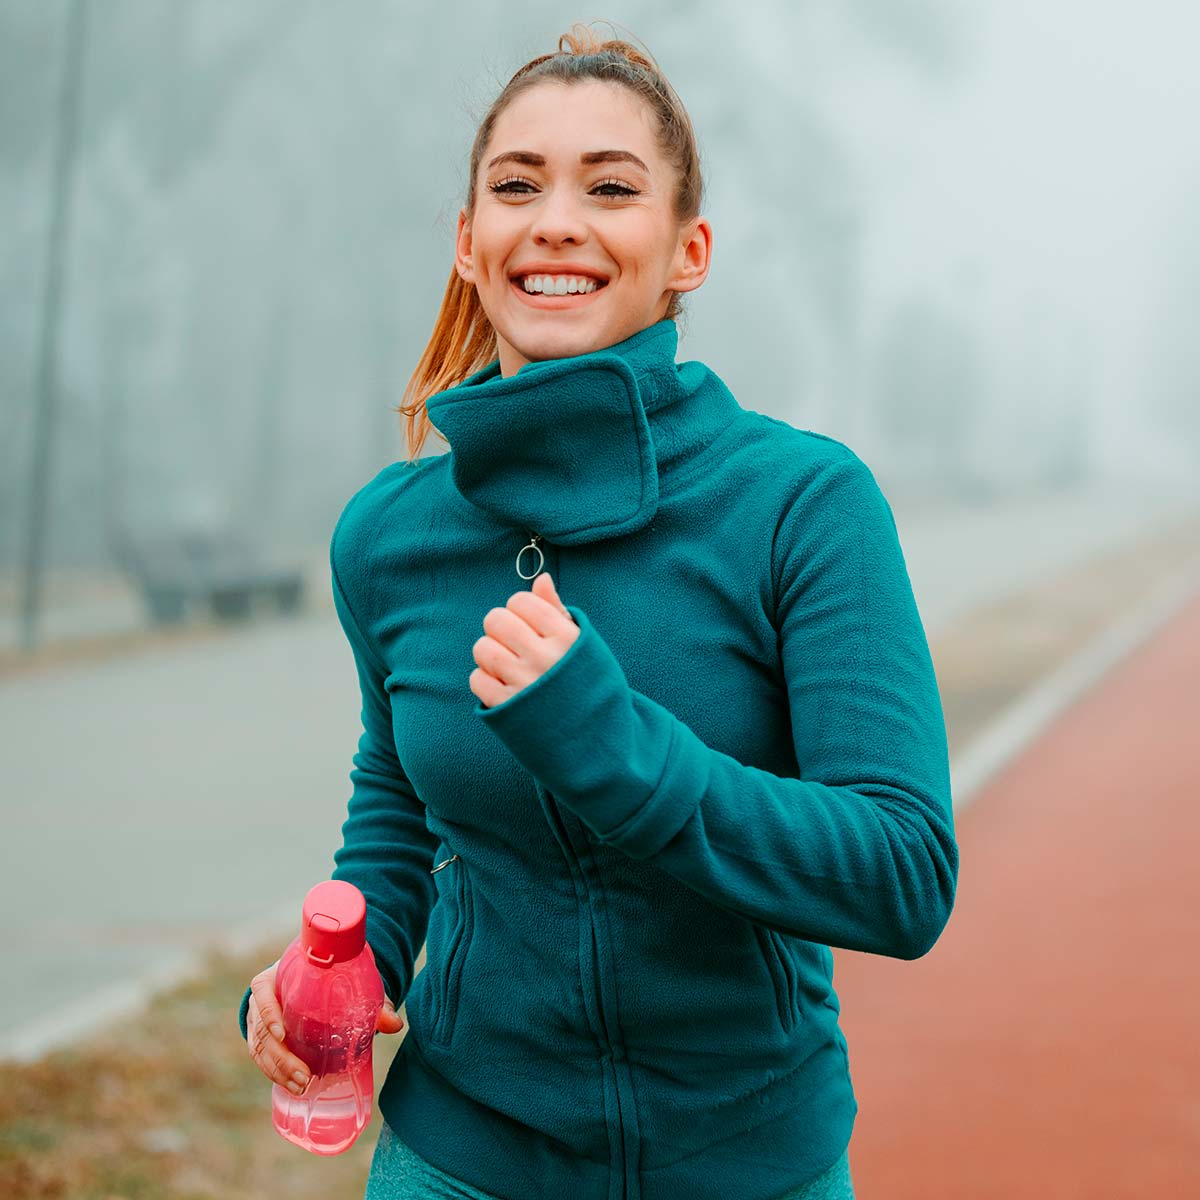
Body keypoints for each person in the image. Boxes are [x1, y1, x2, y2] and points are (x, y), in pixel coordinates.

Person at [238, 21, 958, 1200]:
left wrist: (614, 751)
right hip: (459, 1158)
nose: (557, 219)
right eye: (517, 186)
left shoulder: (804, 505)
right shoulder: (389, 534)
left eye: (611, 188)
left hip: (746, 1166)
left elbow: (901, 873)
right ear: (471, 245)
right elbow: (400, 807)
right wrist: (350, 958)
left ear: (689, 251)